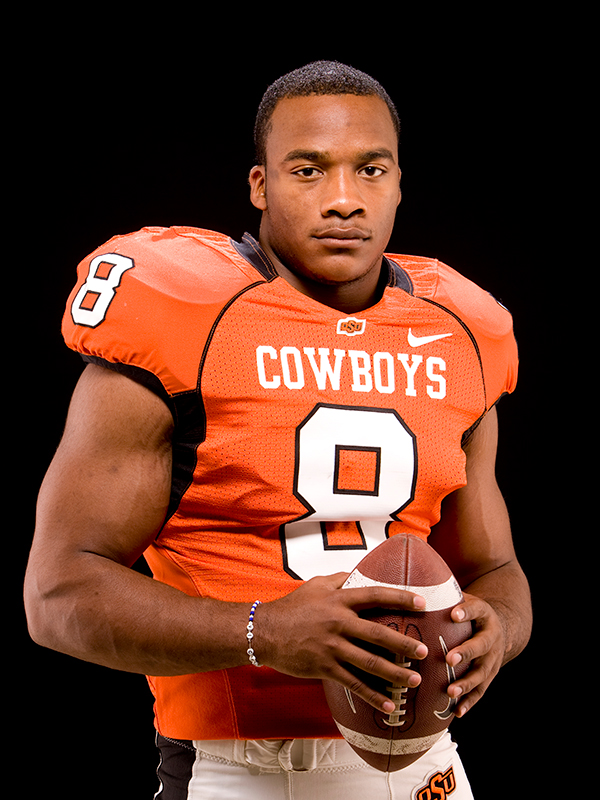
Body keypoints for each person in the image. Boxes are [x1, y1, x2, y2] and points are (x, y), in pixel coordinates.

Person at [24, 61, 531, 798]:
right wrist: (263, 631)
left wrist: (498, 633)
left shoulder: (460, 329)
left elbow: (497, 571)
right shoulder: (183, 315)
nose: (344, 200)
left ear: (398, 184)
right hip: (244, 771)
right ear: (260, 185)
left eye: (370, 169)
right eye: (308, 170)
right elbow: (57, 594)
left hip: (427, 764)